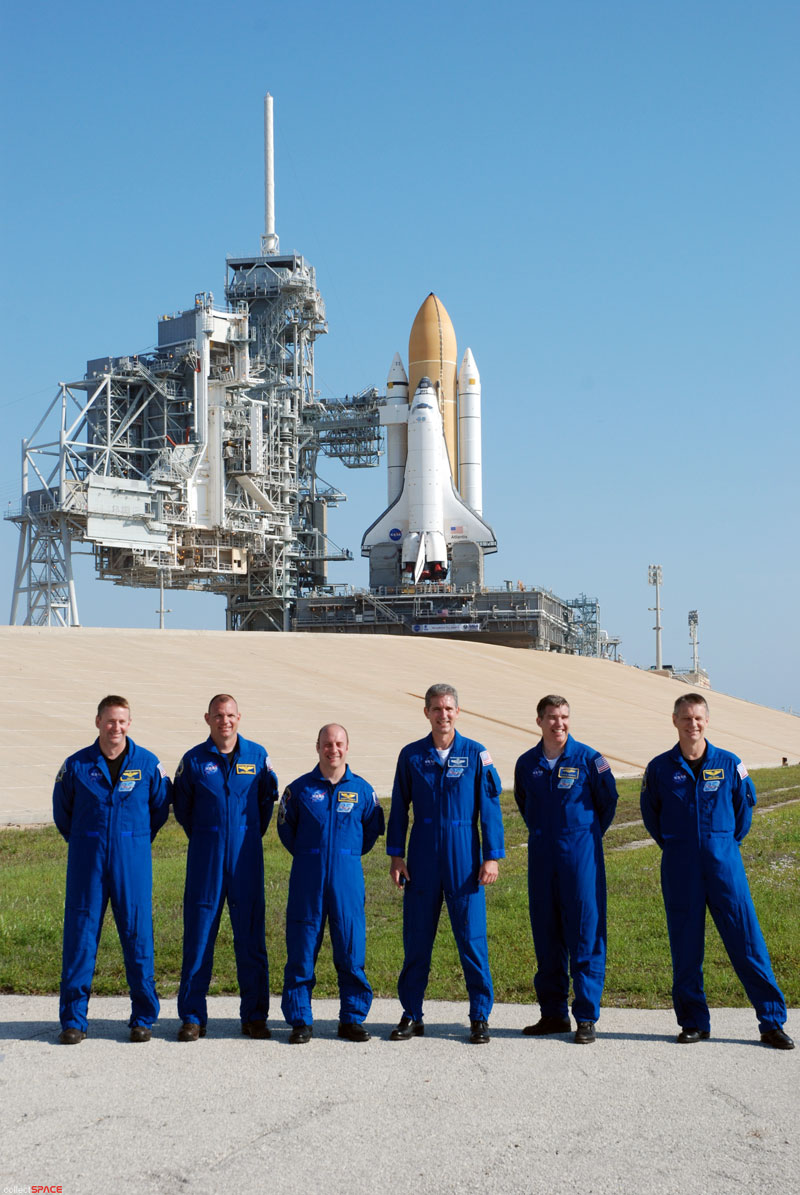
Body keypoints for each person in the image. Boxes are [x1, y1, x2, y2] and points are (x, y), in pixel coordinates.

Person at [640, 693, 794, 1049]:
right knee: (686, 946)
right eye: (685, 718)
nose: (692, 724)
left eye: (698, 718)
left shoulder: (729, 763)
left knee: (747, 942)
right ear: (674, 720)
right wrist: (679, 846)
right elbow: (652, 816)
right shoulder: (660, 768)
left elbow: (744, 812)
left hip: (725, 867)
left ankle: (771, 1022)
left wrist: (721, 845)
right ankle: (693, 1021)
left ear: (707, 721)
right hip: (680, 869)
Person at [387, 683, 504, 1044]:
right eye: (436, 709)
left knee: (471, 939)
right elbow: (398, 807)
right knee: (417, 939)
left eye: (449, 708)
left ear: (458, 712)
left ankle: (479, 1016)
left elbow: (490, 809)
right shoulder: (411, 755)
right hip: (422, 856)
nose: (443, 715)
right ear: (426, 713)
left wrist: (492, 856)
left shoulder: (475, 754)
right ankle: (411, 1013)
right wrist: (396, 855)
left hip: (464, 858)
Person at [52, 696, 171, 1044]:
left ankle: (143, 1018)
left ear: (129, 724)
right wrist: (87, 840)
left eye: (121, 722)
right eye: (109, 721)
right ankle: (73, 1020)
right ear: (98, 722)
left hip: (131, 862)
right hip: (87, 863)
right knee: (80, 937)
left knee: (137, 937)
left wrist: (133, 841)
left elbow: (160, 809)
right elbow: (63, 813)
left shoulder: (147, 764)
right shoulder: (76, 765)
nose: (115, 728)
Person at [513, 695, 618, 1045]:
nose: (559, 723)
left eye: (564, 717)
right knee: (547, 933)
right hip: (542, 855)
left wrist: (584, 836)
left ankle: (585, 1016)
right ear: (539, 721)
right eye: (552, 717)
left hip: (581, 855)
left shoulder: (590, 759)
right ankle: (553, 1014)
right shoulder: (527, 763)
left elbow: (608, 802)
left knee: (585, 932)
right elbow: (524, 804)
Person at [173, 694, 278, 1041]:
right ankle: (192, 1016)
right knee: (199, 938)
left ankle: (255, 1016)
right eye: (218, 715)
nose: (225, 721)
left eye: (230, 715)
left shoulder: (257, 757)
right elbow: (183, 809)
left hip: (246, 859)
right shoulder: (193, 761)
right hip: (206, 859)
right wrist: (208, 836)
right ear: (207, 719)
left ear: (239, 717)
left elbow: (265, 805)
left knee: (250, 939)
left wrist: (243, 837)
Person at [277, 724, 385, 1044]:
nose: (332, 749)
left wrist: (344, 856)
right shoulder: (298, 790)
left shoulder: (363, 791)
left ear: (347, 747)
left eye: (338, 743)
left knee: (351, 948)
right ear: (317, 747)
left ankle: (351, 1018)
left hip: (347, 878)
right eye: (327, 744)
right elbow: (287, 831)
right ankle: (300, 1020)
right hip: (307, 879)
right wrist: (314, 855)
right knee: (302, 948)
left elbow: (371, 832)